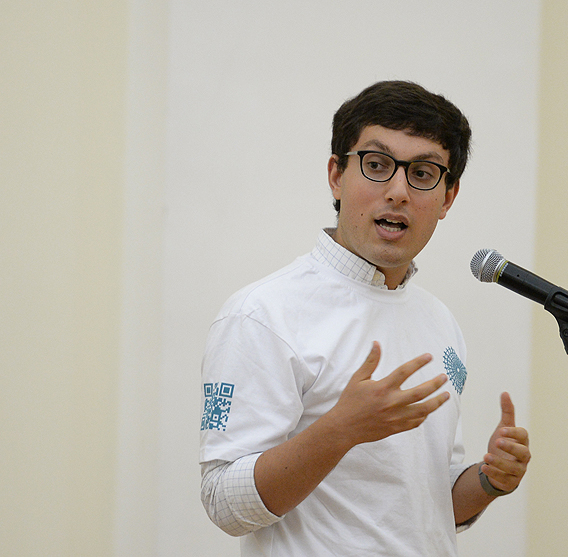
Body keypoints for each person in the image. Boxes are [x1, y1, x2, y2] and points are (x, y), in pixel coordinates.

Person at [199, 80, 530, 557]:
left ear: (448, 196)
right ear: (337, 176)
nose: (398, 191)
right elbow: (224, 505)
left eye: (423, 173)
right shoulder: (262, 314)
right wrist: (340, 429)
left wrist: (487, 480)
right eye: (376, 165)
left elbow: (430, 505)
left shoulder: (439, 321)